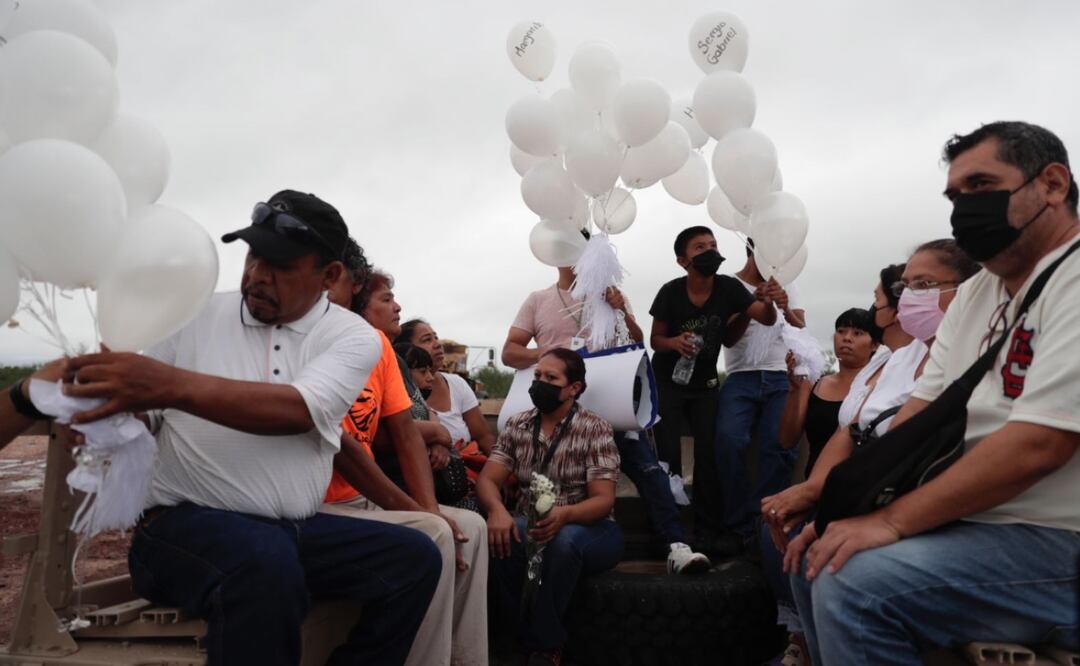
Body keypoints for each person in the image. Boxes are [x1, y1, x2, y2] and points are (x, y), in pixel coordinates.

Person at [61, 191, 440, 666]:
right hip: (179, 529)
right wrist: (112, 415)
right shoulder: (192, 314)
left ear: (330, 276)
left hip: (289, 531)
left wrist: (169, 385)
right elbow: (147, 410)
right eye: (254, 254)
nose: (258, 274)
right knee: (263, 563)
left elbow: (301, 409)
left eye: (280, 264)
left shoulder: (351, 337)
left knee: (415, 560)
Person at [785, 123, 1080, 666]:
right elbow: (914, 426)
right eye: (955, 195)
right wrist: (847, 512)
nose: (965, 208)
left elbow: (1040, 445)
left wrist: (891, 522)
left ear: (1053, 185)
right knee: (817, 554)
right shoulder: (975, 295)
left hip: (1056, 536)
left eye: (982, 185)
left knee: (855, 586)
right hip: (977, 525)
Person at [323, 248, 488, 666]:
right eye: (385, 298)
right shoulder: (320, 342)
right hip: (322, 499)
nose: (397, 305)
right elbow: (349, 446)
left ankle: (464, 659)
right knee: (433, 534)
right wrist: (427, 515)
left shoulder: (379, 346)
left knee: (472, 528)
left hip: (362, 495)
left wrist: (431, 508)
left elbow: (401, 430)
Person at [502, 262, 709, 574]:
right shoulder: (538, 299)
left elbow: (638, 343)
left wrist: (621, 311)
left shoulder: (612, 296)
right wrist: (548, 354)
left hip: (610, 413)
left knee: (650, 472)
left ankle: (675, 546)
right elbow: (509, 353)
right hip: (561, 418)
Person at [478, 348, 623, 666]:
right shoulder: (517, 425)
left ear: (574, 388)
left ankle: (545, 645)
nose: (540, 383)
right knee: (504, 534)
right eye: (537, 376)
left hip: (589, 527)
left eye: (551, 378)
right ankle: (514, 633)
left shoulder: (594, 428)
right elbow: (488, 480)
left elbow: (603, 500)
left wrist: (566, 515)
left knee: (564, 541)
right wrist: (497, 510)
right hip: (532, 523)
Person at [649, 225, 783, 555]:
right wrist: (674, 342)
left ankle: (707, 530)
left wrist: (766, 301)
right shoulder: (670, 292)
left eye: (713, 244)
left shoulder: (729, 288)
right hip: (668, 382)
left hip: (706, 385)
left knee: (709, 456)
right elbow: (655, 340)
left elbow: (764, 319)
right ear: (683, 260)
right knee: (668, 456)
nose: (709, 251)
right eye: (699, 247)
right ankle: (671, 532)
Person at [760, 307, 879, 666]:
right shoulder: (817, 383)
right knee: (769, 531)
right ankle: (798, 633)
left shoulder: (876, 388)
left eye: (857, 333)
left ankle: (819, 637)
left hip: (853, 495)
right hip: (811, 489)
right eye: (841, 330)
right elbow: (786, 439)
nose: (846, 338)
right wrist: (798, 392)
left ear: (874, 345)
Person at [715, 240, 807, 547]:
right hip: (742, 376)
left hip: (781, 375)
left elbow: (801, 329)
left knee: (778, 446)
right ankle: (738, 524)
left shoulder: (788, 281)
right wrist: (751, 305)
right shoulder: (730, 285)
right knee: (729, 440)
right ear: (752, 253)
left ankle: (763, 521)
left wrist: (783, 306)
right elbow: (727, 338)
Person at [397, 318, 495, 456]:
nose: (437, 344)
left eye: (435, 337)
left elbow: (484, 437)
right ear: (407, 350)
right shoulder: (398, 393)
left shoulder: (456, 383)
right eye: (427, 340)